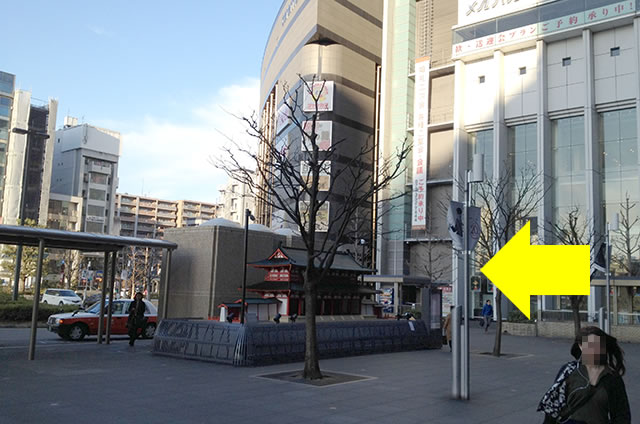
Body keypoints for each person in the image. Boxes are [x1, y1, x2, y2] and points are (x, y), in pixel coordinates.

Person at [538, 326, 631, 424]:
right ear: (581, 346)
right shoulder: (569, 371)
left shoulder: (612, 378)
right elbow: (553, 408)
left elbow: (622, 415)